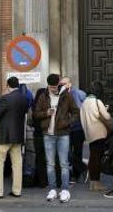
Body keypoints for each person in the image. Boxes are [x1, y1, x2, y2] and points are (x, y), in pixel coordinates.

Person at [32, 73, 80, 203]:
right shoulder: (43, 96)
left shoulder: (66, 96)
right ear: (47, 85)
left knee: (64, 163)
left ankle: (65, 189)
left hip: (63, 133)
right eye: (51, 87)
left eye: (55, 87)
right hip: (48, 134)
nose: (53, 89)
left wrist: (68, 122)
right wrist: (45, 113)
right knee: (50, 164)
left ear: (58, 84)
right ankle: (52, 189)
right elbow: (35, 114)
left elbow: (76, 112)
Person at [0, 76, 28, 199]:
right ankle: (17, 190)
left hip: (4, 136)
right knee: (17, 164)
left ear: (7, 85)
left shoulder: (5, 98)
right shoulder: (24, 98)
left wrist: (1, 98)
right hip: (18, 135)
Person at [80, 81, 113, 192]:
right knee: (97, 159)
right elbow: (107, 117)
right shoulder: (97, 101)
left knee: (93, 158)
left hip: (89, 133)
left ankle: (93, 183)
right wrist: (106, 109)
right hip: (99, 133)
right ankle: (96, 183)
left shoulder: (84, 102)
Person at [62, 76, 87, 183]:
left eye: (63, 84)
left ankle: (75, 175)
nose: (61, 86)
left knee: (77, 151)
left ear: (69, 84)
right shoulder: (61, 95)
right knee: (66, 152)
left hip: (77, 128)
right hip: (67, 128)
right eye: (60, 84)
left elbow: (84, 107)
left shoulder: (78, 93)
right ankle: (82, 167)